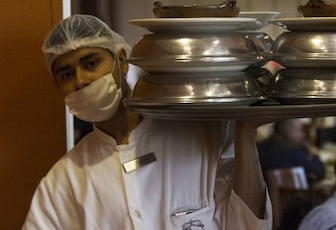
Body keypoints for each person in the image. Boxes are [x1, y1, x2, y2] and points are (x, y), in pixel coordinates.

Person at [22, 14, 272, 230]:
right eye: (66, 74)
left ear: (121, 60)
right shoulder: (64, 181)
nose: (81, 80)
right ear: (58, 86)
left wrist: (245, 130)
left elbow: (248, 224)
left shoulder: (202, 135)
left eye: (91, 63)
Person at [258, 119, 326, 183]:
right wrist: (315, 154)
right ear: (289, 132)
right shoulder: (293, 152)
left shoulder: (260, 148)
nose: (303, 135)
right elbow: (320, 171)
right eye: (300, 130)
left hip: (262, 193)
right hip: (290, 194)